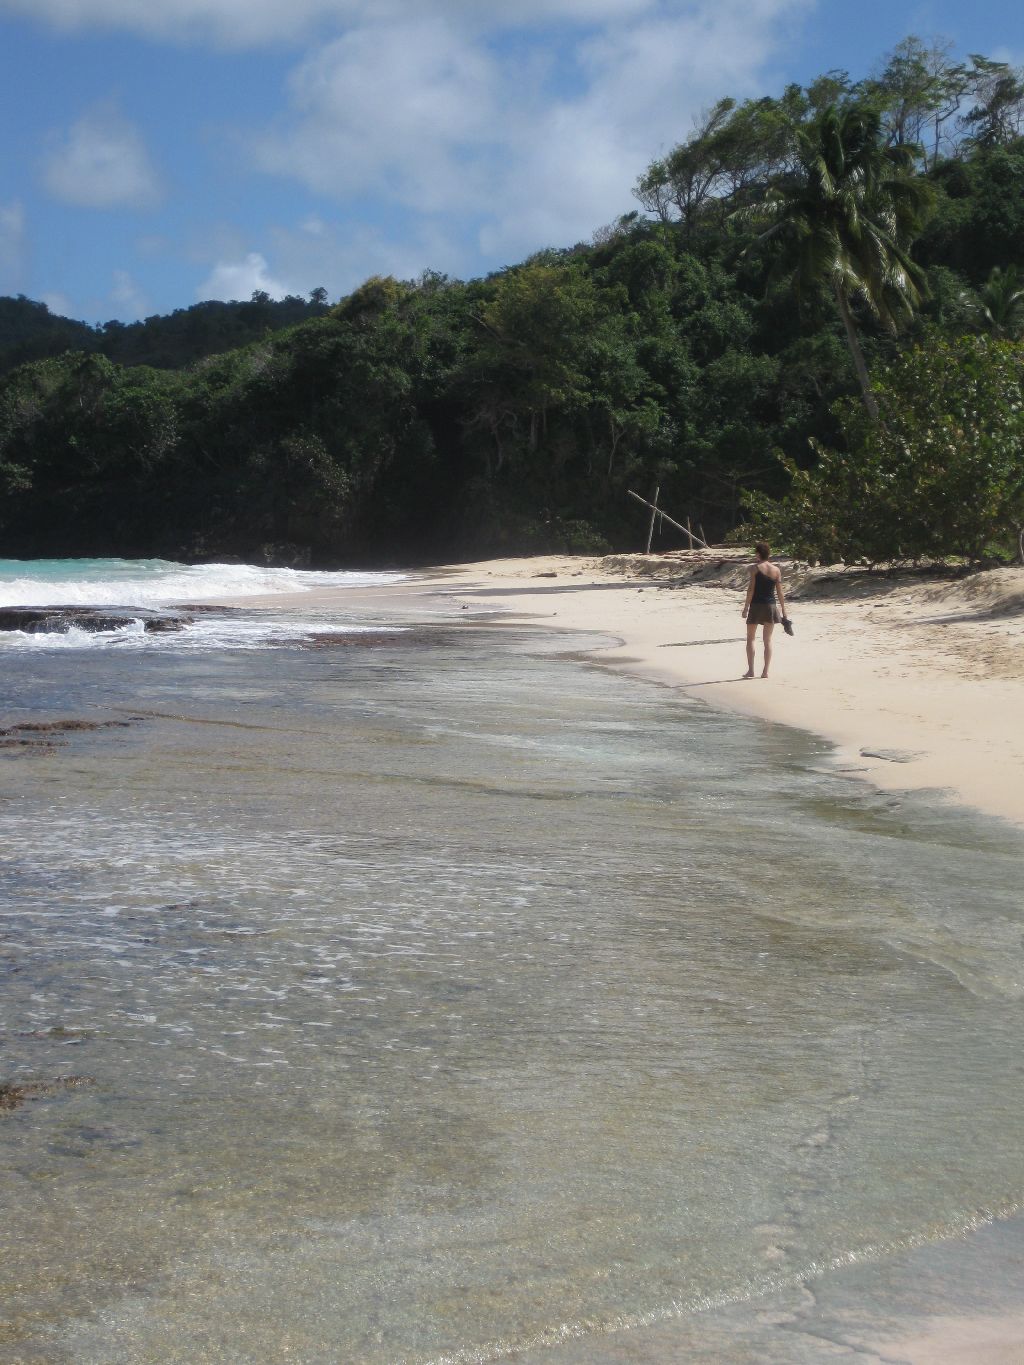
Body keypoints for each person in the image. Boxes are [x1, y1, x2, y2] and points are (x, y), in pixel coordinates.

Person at [741, 542, 787, 679]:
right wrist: (784, 611)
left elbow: (751, 589)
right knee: (767, 640)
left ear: (757, 554)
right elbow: (780, 593)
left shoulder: (754, 568)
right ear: (769, 554)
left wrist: (745, 608)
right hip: (770, 606)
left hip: (756, 605)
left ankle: (751, 671)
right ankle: (765, 672)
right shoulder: (776, 570)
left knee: (750, 639)